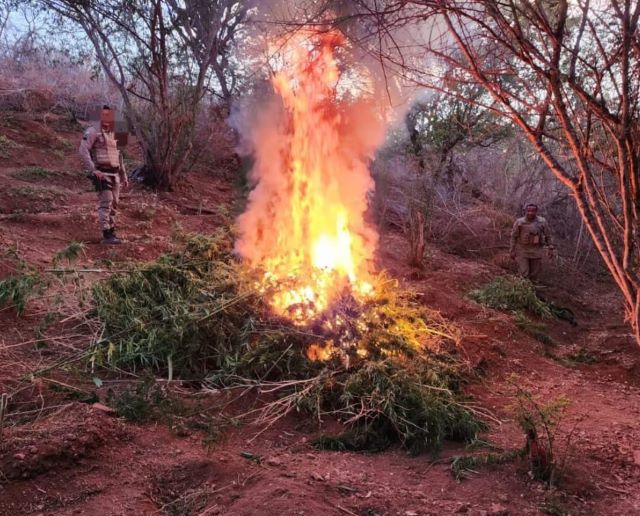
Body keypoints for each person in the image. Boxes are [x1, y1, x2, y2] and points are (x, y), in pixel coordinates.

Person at [79, 105, 128, 244]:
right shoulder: (93, 131)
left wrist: (124, 175)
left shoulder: (114, 133)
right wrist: (93, 169)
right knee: (106, 201)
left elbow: (119, 156)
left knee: (115, 204)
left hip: (115, 174)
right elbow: (83, 150)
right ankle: (106, 234)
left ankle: (112, 231)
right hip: (102, 173)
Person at [509, 203, 554, 282]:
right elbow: (514, 236)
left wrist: (550, 248)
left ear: (536, 211)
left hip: (536, 251)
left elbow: (548, 236)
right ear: (525, 211)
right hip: (522, 250)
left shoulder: (542, 222)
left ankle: (532, 290)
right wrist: (512, 250)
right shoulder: (519, 222)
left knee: (534, 274)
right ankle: (523, 289)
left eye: (533, 211)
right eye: (529, 211)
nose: (531, 213)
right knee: (524, 273)